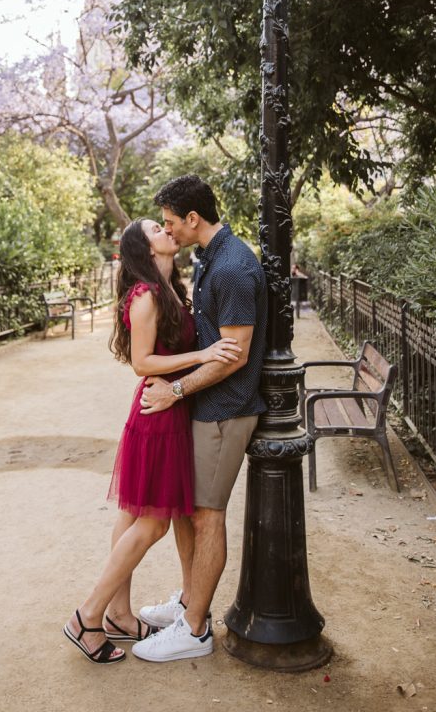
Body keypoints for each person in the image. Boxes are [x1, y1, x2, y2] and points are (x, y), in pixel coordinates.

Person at [63, 217, 241, 665]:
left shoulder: (168, 291)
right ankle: (87, 617)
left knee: (132, 515)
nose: (167, 232)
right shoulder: (145, 296)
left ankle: (119, 614)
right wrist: (204, 353)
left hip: (167, 410)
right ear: (145, 250)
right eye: (155, 231)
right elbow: (143, 362)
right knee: (153, 522)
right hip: (157, 415)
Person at [131, 174, 267, 664]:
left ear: (193, 218)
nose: (168, 230)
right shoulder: (210, 257)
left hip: (226, 410)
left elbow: (234, 355)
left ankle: (194, 631)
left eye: (170, 222)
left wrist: (176, 390)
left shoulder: (232, 267)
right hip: (205, 409)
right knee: (191, 511)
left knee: (207, 517)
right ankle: (192, 602)